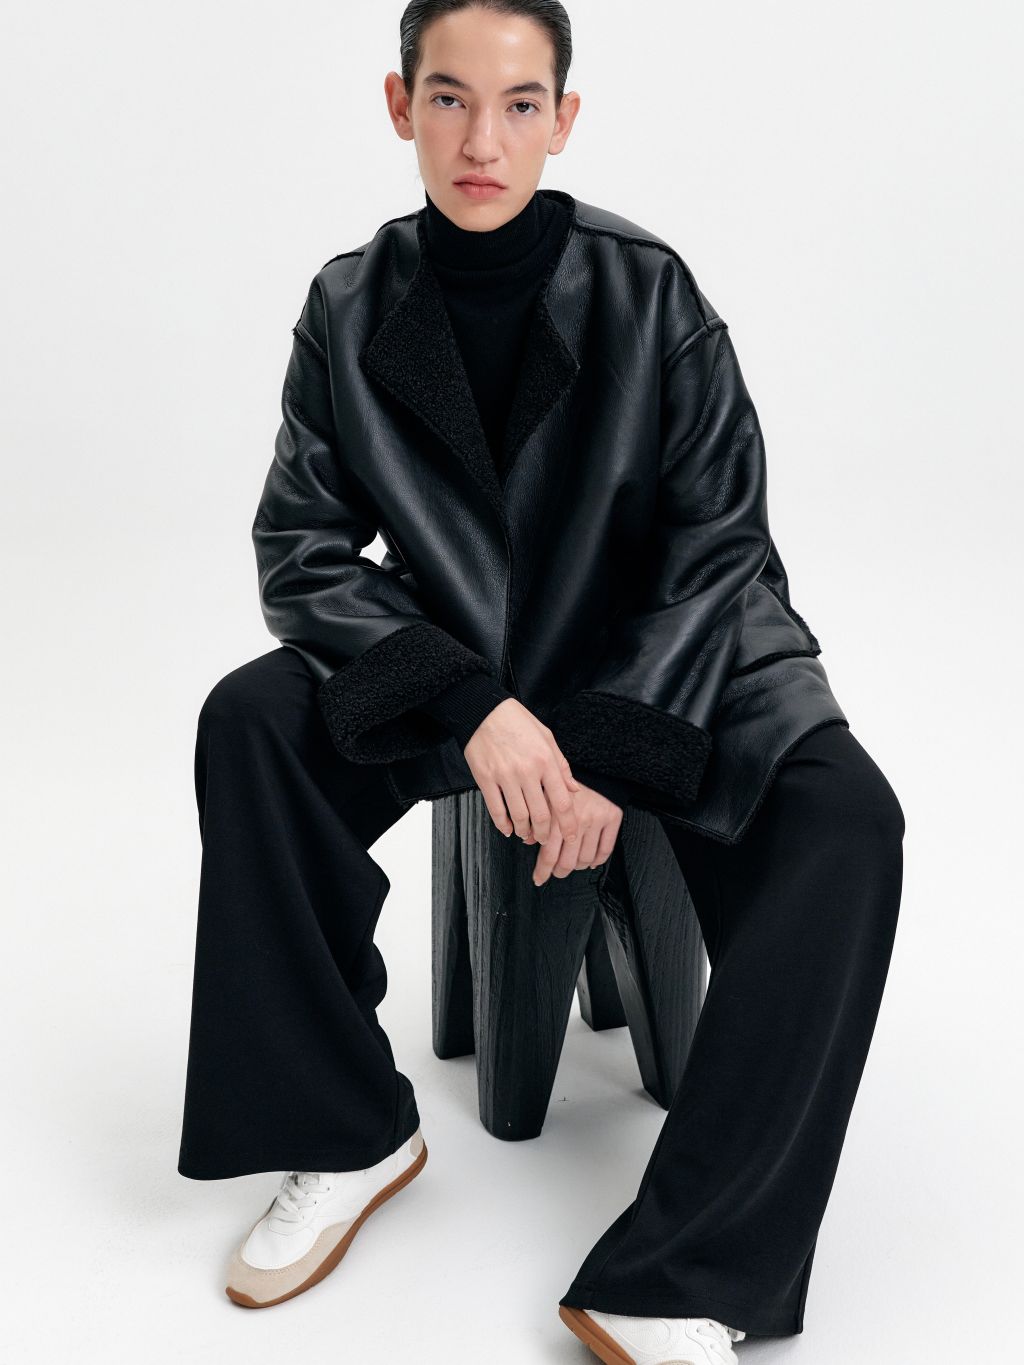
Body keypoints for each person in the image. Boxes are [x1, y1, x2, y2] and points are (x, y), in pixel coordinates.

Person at [177, 3, 905, 1360]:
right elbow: (301, 550)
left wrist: (616, 750)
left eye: (519, 106)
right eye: (449, 99)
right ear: (399, 106)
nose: (482, 140)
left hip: (679, 654)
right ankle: (345, 1129)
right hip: (465, 657)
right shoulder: (349, 304)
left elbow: (720, 544)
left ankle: (685, 1264)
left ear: (563, 121)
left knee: (849, 826)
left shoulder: (651, 289)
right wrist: (473, 707)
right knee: (251, 723)